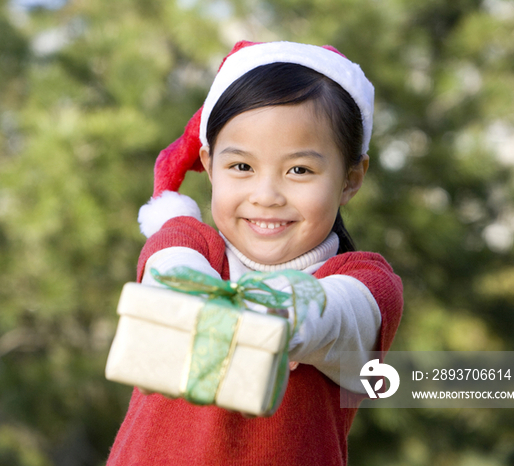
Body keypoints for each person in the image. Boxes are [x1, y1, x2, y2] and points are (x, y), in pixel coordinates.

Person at [107, 40, 403, 466]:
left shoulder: (364, 283)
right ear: (209, 167)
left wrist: (265, 318)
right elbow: (168, 274)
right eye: (241, 167)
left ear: (351, 178)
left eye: (299, 170)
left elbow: (326, 314)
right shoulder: (191, 246)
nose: (266, 196)